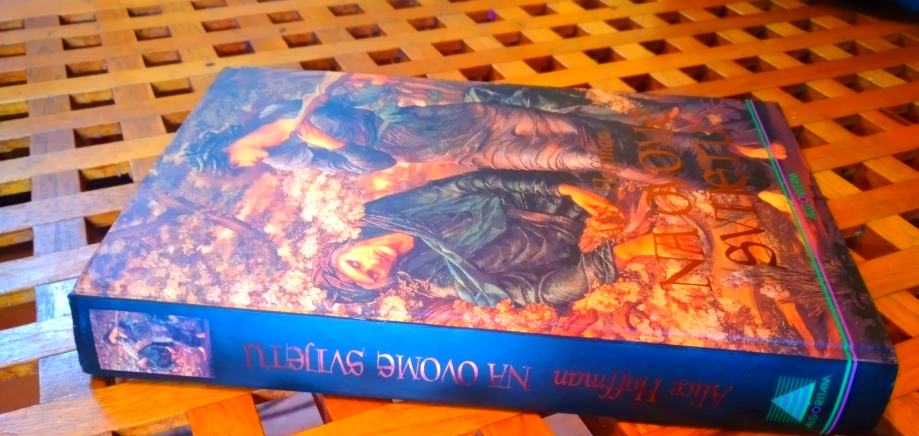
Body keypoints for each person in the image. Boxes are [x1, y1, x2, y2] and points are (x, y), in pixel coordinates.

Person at [185, 73, 787, 192]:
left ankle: (734, 143)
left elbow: (372, 90)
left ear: (229, 144)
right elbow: (375, 166)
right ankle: (741, 178)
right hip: (467, 147)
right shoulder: (293, 158)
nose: (245, 168)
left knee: (597, 125)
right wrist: (335, 145)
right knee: (595, 160)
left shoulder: (287, 103)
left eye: (233, 162)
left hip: (478, 115)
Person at [312, 170, 657, 308]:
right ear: (382, 283)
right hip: (572, 231)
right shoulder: (436, 278)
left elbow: (465, 184)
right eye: (371, 275)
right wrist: (621, 254)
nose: (373, 263)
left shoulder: (385, 213)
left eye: (354, 262)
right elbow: (537, 292)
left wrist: (561, 188)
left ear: (347, 245)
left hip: (545, 186)